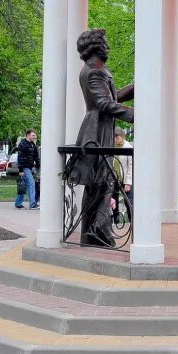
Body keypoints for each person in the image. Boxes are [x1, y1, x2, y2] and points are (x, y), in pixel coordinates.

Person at [65, 29, 133, 246]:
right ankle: (98, 233)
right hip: (97, 132)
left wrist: (134, 88)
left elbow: (111, 97)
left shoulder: (96, 69)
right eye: (104, 42)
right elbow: (104, 103)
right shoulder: (95, 71)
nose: (108, 46)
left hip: (99, 129)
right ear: (95, 46)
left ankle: (93, 233)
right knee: (103, 181)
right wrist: (134, 115)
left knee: (100, 183)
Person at [13, 129, 40, 209]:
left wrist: (38, 164)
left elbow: (36, 156)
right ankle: (32, 204)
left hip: (30, 167)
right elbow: (20, 158)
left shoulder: (33, 144)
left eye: (34, 135)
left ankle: (18, 203)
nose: (34, 137)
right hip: (25, 167)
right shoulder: (23, 144)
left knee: (23, 185)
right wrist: (20, 170)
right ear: (28, 135)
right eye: (33, 135)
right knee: (31, 183)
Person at [112, 130, 133, 223]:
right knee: (113, 200)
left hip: (124, 179)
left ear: (122, 137)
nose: (115, 139)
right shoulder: (112, 147)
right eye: (115, 137)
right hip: (113, 178)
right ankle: (115, 221)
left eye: (117, 137)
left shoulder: (128, 147)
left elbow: (130, 166)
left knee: (128, 201)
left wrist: (128, 182)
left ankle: (132, 220)